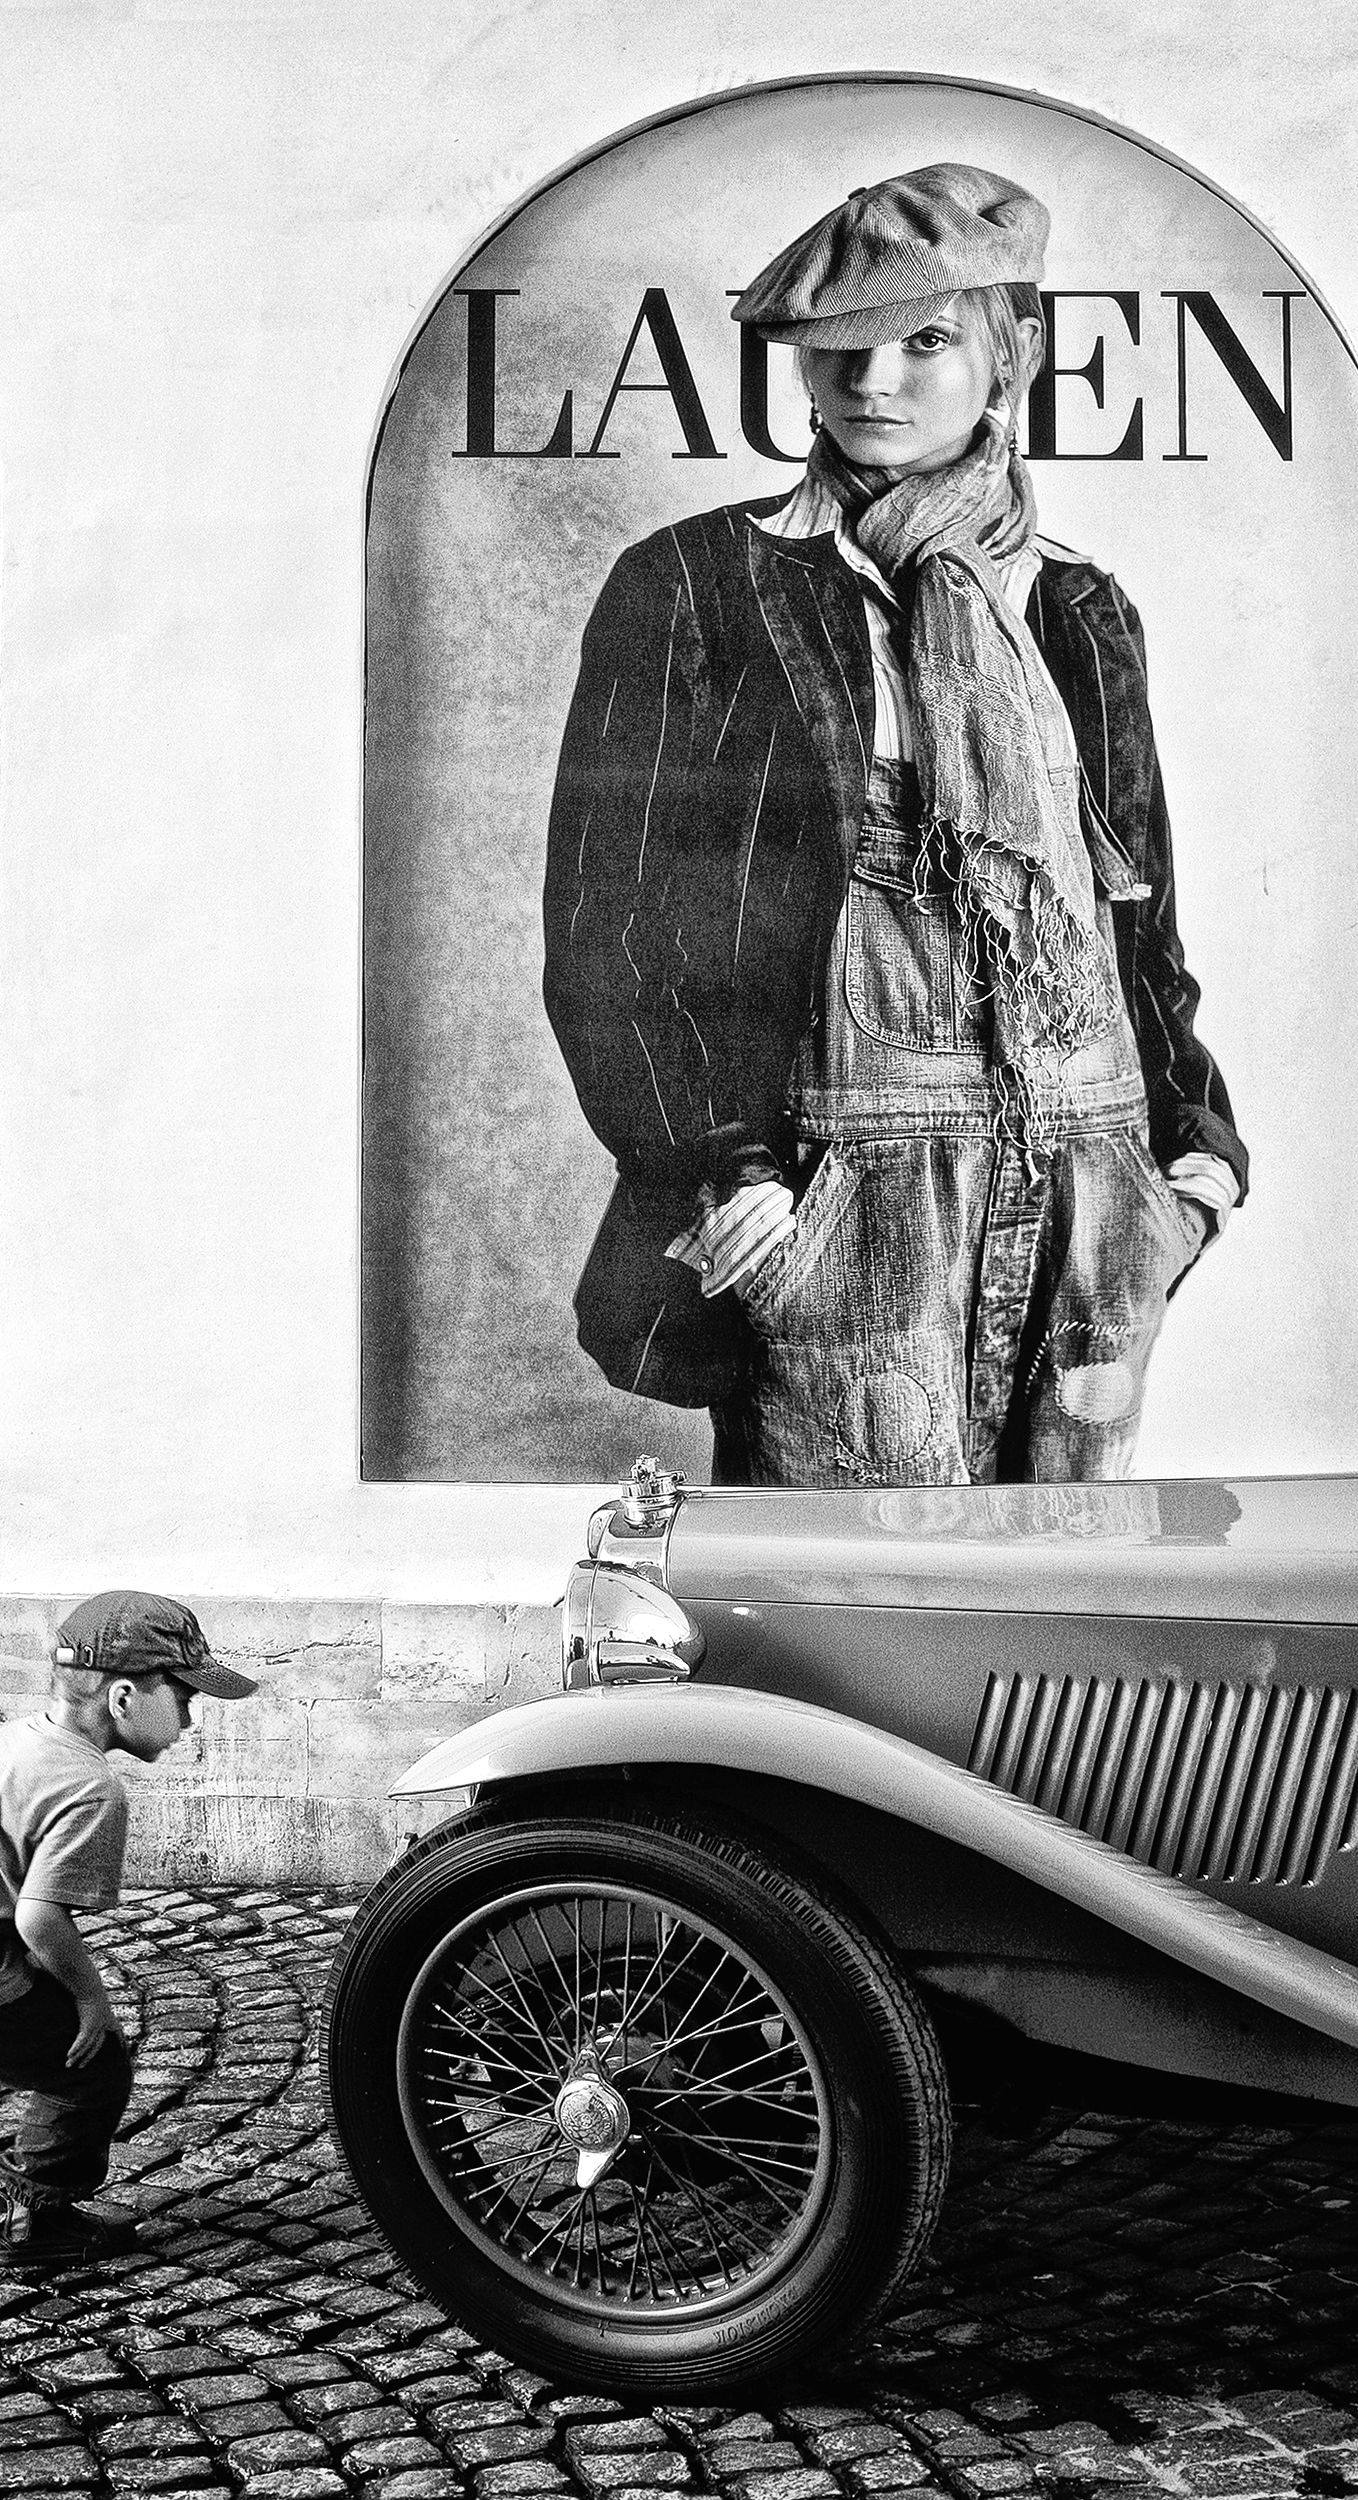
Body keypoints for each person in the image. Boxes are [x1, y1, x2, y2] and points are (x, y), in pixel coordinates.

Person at [543, 164, 1247, 1487]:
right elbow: (609, 927)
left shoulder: (1078, 607)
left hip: (1089, 1193)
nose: (872, 380)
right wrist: (726, 1173)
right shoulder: (696, 584)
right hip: (839, 1199)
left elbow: (1133, 916)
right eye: (839, 346)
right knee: (856, 1582)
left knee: (1058, 1579)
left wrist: (1193, 1163)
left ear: (1007, 355)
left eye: (924, 340)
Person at [0, 1590, 256, 2264]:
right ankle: (34, 2222)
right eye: (184, 1699)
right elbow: (39, 1916)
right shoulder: (90, 1787)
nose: (190, 1721)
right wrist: (91, 1999)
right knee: (91, 2069)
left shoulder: (17, 1739)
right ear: (122, 1698)